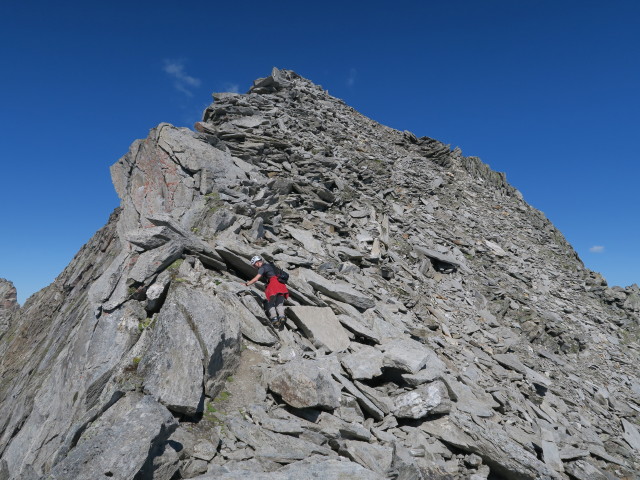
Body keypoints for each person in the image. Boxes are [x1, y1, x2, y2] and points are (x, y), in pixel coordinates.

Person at [243, 255, 289, 327]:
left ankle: (274, 318)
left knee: (270, 303)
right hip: (281, 285)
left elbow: (256, 279)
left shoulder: (262, 268)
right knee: (279, 303)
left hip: (273, 285)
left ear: (257, 262)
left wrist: (246, 284)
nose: (255, 267)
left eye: (254, 265)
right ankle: (282, 317)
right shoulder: (271, 266)